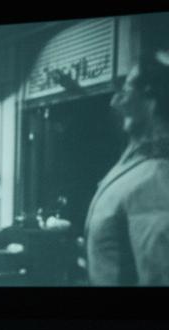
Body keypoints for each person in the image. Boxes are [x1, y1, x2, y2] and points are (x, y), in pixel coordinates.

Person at [84, 50, 169, 286]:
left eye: (127, 89)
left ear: (152, 101)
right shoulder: (137, 166)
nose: (115, 101)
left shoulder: (156, 177)